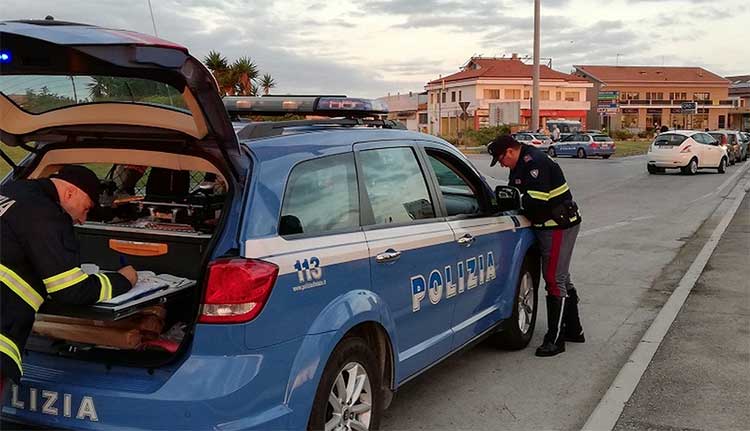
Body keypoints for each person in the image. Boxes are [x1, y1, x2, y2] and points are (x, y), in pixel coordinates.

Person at [1, 165, 136, 397]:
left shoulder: (10, 191)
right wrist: (123, 280)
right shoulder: (45, 214)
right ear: (70, 193)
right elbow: (71, 290)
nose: (83, 220)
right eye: (86, 209)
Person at [487, 135, 584, 357]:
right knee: (562, 277)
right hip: (547, 225)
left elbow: (536, 202)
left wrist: (513, 202)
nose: (502, 164)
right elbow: (516, 194)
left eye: (501, 159)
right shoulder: (520, 164)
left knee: (554, 279)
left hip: (557, 226)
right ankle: (574, 329)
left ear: (510, 151)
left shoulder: (535, 162)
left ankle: (555, 339)